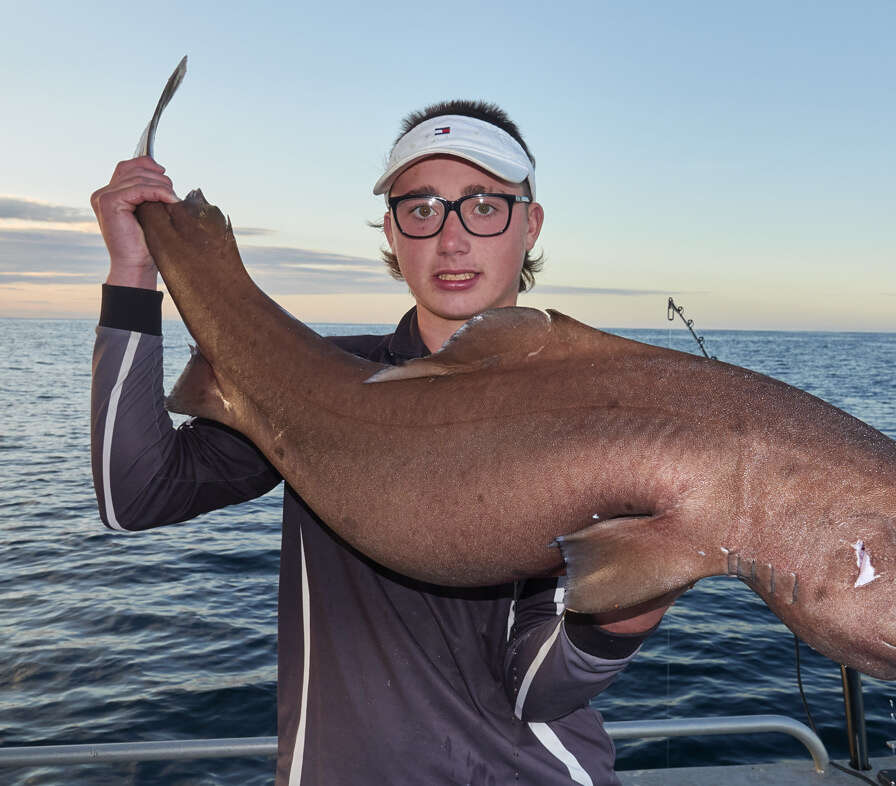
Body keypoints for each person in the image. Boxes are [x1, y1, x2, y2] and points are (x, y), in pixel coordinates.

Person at [90, 99, 675, 785]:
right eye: (421, 209)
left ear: (530, 223)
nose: (451, 240)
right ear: (392, 234)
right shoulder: (309, 385)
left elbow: (536, 690)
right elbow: (136, 494)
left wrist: (636, 598)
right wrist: (133, 274)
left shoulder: (592, 425)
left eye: (483, 205)